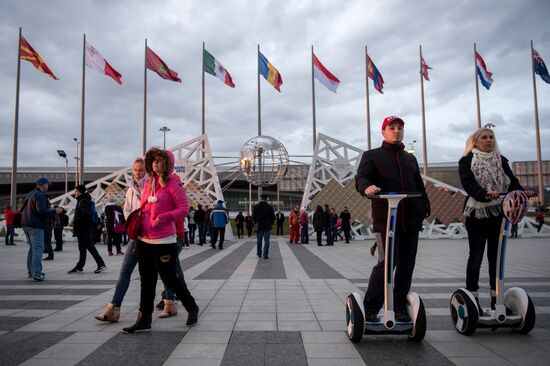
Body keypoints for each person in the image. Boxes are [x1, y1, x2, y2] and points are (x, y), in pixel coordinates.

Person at [355, 115, 430, 323]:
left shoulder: (409, 158)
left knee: (407, 264)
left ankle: (399, 308)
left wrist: (424, 208)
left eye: (400, 128)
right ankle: (370, 308)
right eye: (392, 127)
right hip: (386, 220)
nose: (396, 131)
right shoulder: (372, 155)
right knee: (387, 262)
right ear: (383, 132)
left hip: (411, 220)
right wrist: (366, 187)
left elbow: (419, 186)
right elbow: (361, 178)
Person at [122, 148, 198, 334]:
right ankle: (144, 318)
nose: (156, 163)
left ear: (168, 163)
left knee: (169, 279)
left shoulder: (174, 183)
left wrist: (163, 217)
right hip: (145, 239)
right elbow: (144, 206)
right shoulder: (150, 183)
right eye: (153, 160)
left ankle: (191, 307)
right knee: (146, 281)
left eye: (160, 160)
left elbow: (183, 208)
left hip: (165, 240)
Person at [459, 127, 524, 312]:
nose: (489, 140)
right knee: (476, 258)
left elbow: (511, 181)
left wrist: (519, 190)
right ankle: (473, 300)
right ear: (475, 141)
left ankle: (497, 302)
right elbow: (468, 184)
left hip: (498, 212)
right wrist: (484, 194)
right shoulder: (467, 160)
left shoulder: (500, 160)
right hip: (477, 213)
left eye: (491, 137)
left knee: (496, 257)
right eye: (484, 138)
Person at [95, 157, 147, 323]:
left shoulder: (152, 185)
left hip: (150, 237)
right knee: (125, 272)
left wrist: (144, 222)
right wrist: (132, 222)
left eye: (141, 169)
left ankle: (171, 300)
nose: (138, 173)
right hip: (135, 236)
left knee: (160, 275)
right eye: (136, 169)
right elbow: (126, 207)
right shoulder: (131, 188)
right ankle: (113, 309)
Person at [21, 177, 62, 281]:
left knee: (32, 249)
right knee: (38, 249)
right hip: (36, 225)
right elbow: (42, 211)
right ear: (42, 185)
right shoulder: (40, 195)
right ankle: (37, 273)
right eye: (47, 184)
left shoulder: (30, 194)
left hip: (26, 224)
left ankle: (31, 272)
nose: (48, 186)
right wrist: (54, 210)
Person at [68, 185, 107, 275]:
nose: (75, 193)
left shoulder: (82, 201)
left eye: (76, 191)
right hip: (85, 228)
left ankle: (99, 264)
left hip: (82, 228)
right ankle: (81, 266)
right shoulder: (84, 199)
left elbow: (86, 214)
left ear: (80, 192)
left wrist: (75, 220)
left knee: (84, 248)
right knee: (86, 248)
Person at [253, 193, 275, 259]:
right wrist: (271, 223)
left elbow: (253, 216)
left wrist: (256, 223)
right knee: (267, 241)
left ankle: (259, 253)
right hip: (267, 226)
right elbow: (273, 217)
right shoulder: (270, 207)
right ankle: (265, 255)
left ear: (261, 198)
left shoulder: (256, 206)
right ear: (266, 199)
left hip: (259, 226)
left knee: (259, 240)